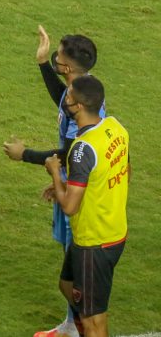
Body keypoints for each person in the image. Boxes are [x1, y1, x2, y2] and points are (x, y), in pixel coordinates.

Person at [3, 26, 101, 337]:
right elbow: (61, 99)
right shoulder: (77, 95)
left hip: (79, 190)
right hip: (70, 181)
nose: (56, 59)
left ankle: (84, 324)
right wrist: (43, 63)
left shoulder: (82, 107)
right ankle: (73, 323)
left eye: (58, 57)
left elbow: (70, 151)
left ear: (69, 68)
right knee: (69, 261)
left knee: (74, 270)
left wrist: (25, 154)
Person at [44, 76, 129, 337]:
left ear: (78, 106)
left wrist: (55, 174)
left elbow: (69, 207)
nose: (65, 100)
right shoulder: (116, 128)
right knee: (66, 284)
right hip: (112, 229)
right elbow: (125, 170)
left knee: (94, 321)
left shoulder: (82, 149)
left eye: (68, 97)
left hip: (94, 242)